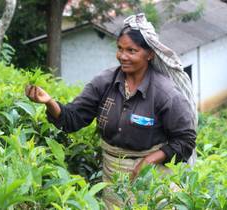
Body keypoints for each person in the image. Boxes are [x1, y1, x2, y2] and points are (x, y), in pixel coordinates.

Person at [25, 13, 197, 209]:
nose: (123, 56)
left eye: (131, 50)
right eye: (120, 49)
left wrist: (149, 160)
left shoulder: (165, 94)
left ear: (149, 54)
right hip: (112, 174)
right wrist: (48, 102)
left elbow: (185, 141)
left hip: (153, 177)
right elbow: (72, 119)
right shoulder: (105, 83)